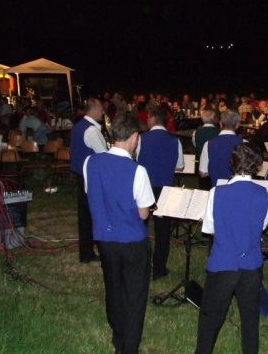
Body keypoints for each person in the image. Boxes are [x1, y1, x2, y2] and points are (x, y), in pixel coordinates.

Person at [83, 115, 155, 354]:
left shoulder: (90, 163)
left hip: (105, 240)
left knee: (113, 289)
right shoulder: (138, 170)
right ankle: (129, 347)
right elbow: (143, 214)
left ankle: (118, 336)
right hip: (132, 241)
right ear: (134, 137)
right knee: (134, 296)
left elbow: (93, 194)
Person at [195, 144, 268, 354]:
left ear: (232, 164)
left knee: (210, 317)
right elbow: (261, 226)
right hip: (251, 265)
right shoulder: (265, 194)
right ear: (257, 166)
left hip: (223, 262)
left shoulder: (217, 192)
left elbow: (210, 228)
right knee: (250, 318)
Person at [136, 105, 184, 280]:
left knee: (140, 226)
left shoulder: (141, 139)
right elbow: (180, 166)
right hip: (166, 189)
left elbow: (137, 161)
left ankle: (140, 264)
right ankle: (159, 269)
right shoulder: (175, 141)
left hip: (145, 187)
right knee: (162, 232)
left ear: (152, 118)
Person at [70, 98, 108, 263]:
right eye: (101, 109)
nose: (103, 112)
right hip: (91, 177)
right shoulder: (91, 130)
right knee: (95, 214)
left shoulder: (78, 126)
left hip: (81, 175)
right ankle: (96, 249)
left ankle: (86, 252)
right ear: (93, 110)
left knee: (85, 216)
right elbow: (103, 155)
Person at [199, 109, 243, 187]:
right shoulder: (244, 143)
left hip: (217, 188)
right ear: (237, 125)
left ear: (220, 123)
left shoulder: (208, 144)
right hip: (239, 188)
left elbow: (203, 173)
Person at [192, 109, 219, 190]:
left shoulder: (196, 132)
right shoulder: (219, 132)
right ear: (214, 119)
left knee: (203, 189)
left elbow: (195, 144)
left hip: (201, 165)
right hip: (215, 166)